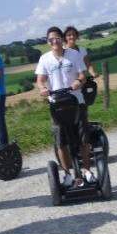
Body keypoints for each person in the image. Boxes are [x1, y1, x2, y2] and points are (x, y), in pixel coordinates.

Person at [36, 27, 94, 187]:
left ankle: (87, 171)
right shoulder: (45, 59)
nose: (54, 41)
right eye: (50, 39)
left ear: (62, 39)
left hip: (76, 101)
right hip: (57, 104)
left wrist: (78, 82)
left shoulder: (74, 55)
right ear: (48, 42)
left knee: (83, 137)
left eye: (57, 38)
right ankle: (68, 174)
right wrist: (42, 89)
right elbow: (40, 80)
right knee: (60, 140)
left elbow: (82, 75)